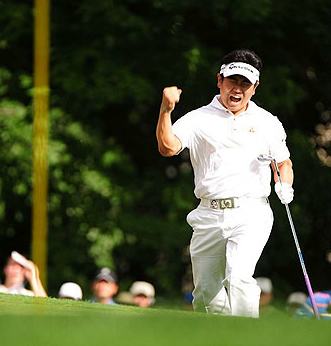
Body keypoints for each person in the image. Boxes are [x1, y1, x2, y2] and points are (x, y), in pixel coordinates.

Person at [156, 48, 294, 318]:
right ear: (220, 80)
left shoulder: (268, 122)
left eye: (245, 83)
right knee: (206, 293)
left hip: (251, 211)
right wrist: (166, 110)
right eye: (233, 81)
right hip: (208, 213)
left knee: (240, 276)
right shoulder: (198, 118)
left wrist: (285, 185)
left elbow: (283, 163)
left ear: (255, 87)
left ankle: (245, 337)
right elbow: (168, 147)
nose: (237, 89)